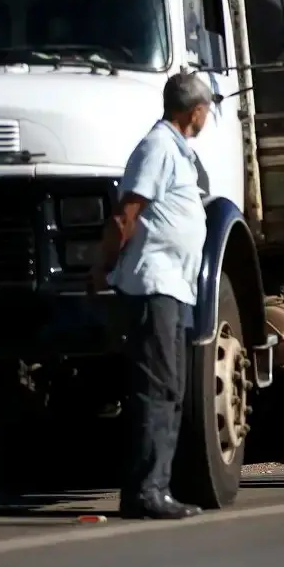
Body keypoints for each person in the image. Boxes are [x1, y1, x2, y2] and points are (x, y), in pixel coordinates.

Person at [89, 72, 211, 520]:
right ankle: (146, 491)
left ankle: (154, 486)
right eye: (206, 109)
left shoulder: (178, 151)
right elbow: (127, 213)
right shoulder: (158, 146)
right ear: (193, 111)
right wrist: (102, 266)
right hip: (153, 284)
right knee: (158, 389)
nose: (208, 116)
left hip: (173, 287)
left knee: (170, 388)